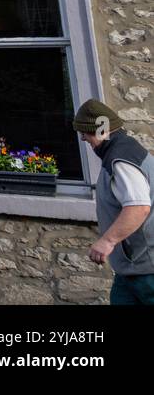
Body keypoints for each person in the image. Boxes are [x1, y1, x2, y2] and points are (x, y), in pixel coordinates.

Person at [75, 99, 154, 304]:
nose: (83, 138)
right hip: (132, 269)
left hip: (147, 270)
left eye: (85, 132)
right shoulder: (122, 152)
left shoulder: (121, 159)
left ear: (101, 130)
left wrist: (107, 241)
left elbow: (139, 207)